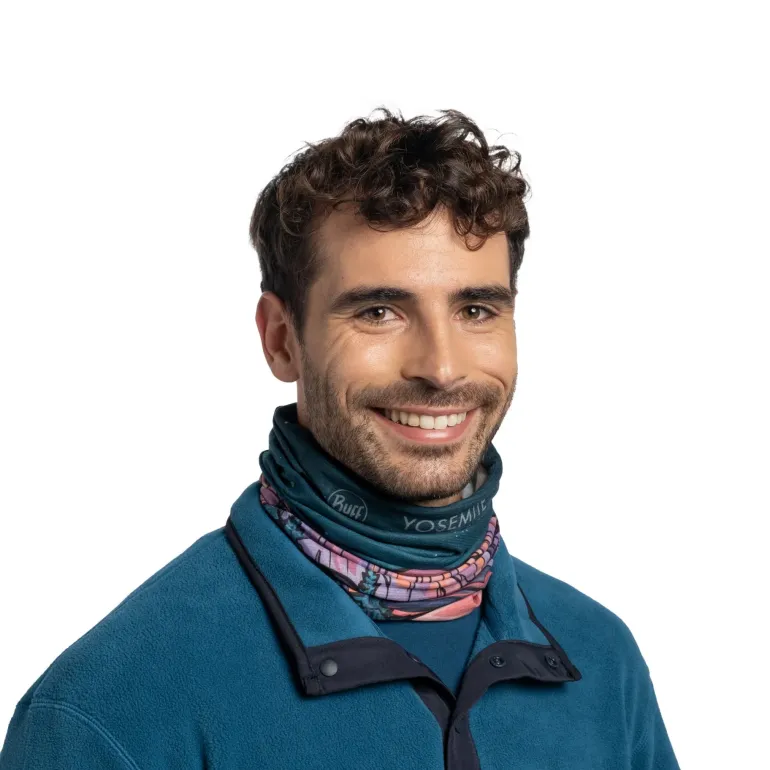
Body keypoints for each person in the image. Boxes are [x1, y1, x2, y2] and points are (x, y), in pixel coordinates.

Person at [0, 107, 680, 769]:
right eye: (379, 311)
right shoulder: (109, 708)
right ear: (281, 340)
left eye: (476, 309)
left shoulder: (602, 662)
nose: (442, 368)